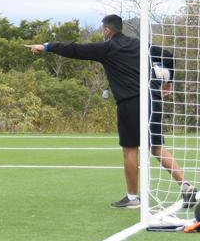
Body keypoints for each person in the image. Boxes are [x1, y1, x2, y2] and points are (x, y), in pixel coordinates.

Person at [27, 14, 197, 209]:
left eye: (103, 30)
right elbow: (167, 56)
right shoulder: (139, 45)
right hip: (153, 100)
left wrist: (47, 46)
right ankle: (186, 185)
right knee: (156, 147)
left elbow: (75, 49)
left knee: (131, 149)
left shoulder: (107, 48)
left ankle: (133, 198)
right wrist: (168, 82)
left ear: (107, 30)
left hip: (130, 103)